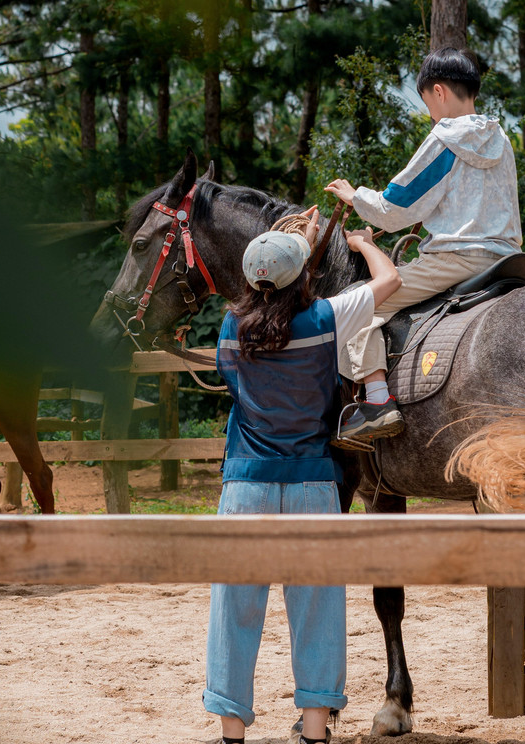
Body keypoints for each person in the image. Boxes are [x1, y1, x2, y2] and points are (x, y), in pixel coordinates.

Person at [204, 210, 401, 744]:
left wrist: (296, 246)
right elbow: (390, 281)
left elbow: (238, 367)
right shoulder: (326, 318)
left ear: (249, 278)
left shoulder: (229, 328)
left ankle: (231, 733)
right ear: (303, 275)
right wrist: (360, 244)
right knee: (317, 608)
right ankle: (315, 732)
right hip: (314, 484)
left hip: (246, 483)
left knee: (234, 609)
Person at [324, 46, 523, 444]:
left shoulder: (445, 138)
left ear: (438, 91)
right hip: (509, 260)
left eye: (427, 103)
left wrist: (353, 196)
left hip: (457, 260)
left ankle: (377, 403)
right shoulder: (500, 138)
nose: (430, 113)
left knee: (356, 302)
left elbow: (393, 209)